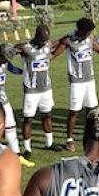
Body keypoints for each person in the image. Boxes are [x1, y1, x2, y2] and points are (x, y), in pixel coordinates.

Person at [59, 18, 99, 151]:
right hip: (76, 82)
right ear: (81, 30)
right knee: (74, 111)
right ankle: (69, 140)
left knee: (92, 110)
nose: (90, 33)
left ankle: (90, 135)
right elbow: (55, 52)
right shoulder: (69, 40)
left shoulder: (90, 38)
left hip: (90, 80)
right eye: (89, 31)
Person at [17, 24, 59, 157]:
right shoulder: (26, 47)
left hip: (46, 89)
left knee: (47, 115)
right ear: (36, 36)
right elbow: (9, 50)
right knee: (28, 119)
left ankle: (49, 143)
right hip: (31, 90)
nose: (44, 42)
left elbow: (61, 42)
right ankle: (27, 149)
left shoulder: (48, 44)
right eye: (42, 39)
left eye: (46, 39)